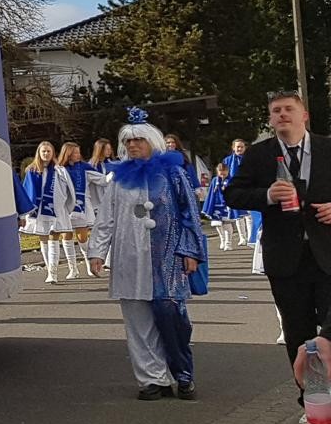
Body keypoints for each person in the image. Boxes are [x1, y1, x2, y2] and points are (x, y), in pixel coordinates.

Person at [223, 89, 331, 424]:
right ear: (270, 119)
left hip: (327, 254)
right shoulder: (259, 154)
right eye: (276, 111)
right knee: (299, 333)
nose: (282, 115)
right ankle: (315, 404)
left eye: (288, 109)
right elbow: (232, 194)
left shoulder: (327, 148)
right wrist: (266, 195)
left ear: (304, 116)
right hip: (286, 259)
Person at [87, 107, 206, 400]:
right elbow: (106, 218)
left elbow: (190, 214)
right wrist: (97, 252)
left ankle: (183, 374)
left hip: (167, 257)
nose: (132, 145)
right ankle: (152, 379)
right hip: (129, 258)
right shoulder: (117, 179)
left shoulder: (173, 174)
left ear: (151, 141)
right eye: (128, 141)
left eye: (138, 140)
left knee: (172, 316)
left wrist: (190, 250)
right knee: (137, 322)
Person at [20, 141, 79, 284]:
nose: (46, 154)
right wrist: (25, 211)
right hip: (40, 212)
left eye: (48, 151)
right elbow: (27, 191)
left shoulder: (59, 170)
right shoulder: (32, 171)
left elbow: (69, 190)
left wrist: (67, 207)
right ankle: (49, 269)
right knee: (44, 239)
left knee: (54, 237)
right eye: (43, 151)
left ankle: (53, 273)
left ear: (53, 153)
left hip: (56, 211)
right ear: (39, 153)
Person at [58, 142, 99, 277]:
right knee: (66, 236)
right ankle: (73, 269)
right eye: (75, 152)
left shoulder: (84, 167)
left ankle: (89, 264)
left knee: (82, 237)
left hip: (80, 206)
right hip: (65, 207)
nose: (78, 155)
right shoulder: (60, 169)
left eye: (78, 152)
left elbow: (98, 178)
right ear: (68, 154)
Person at [203, 160, 238, 251]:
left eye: (224, 171)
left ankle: (228, 243)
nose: (222, 173)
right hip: (216, 205)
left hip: (227, 205)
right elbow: (211, 193)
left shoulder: (231, 180)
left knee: (227, 224)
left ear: (228, 171)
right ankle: (222, 239)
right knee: (217, 224)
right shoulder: (215, 180)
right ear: (217, 172)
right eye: (220, 171)